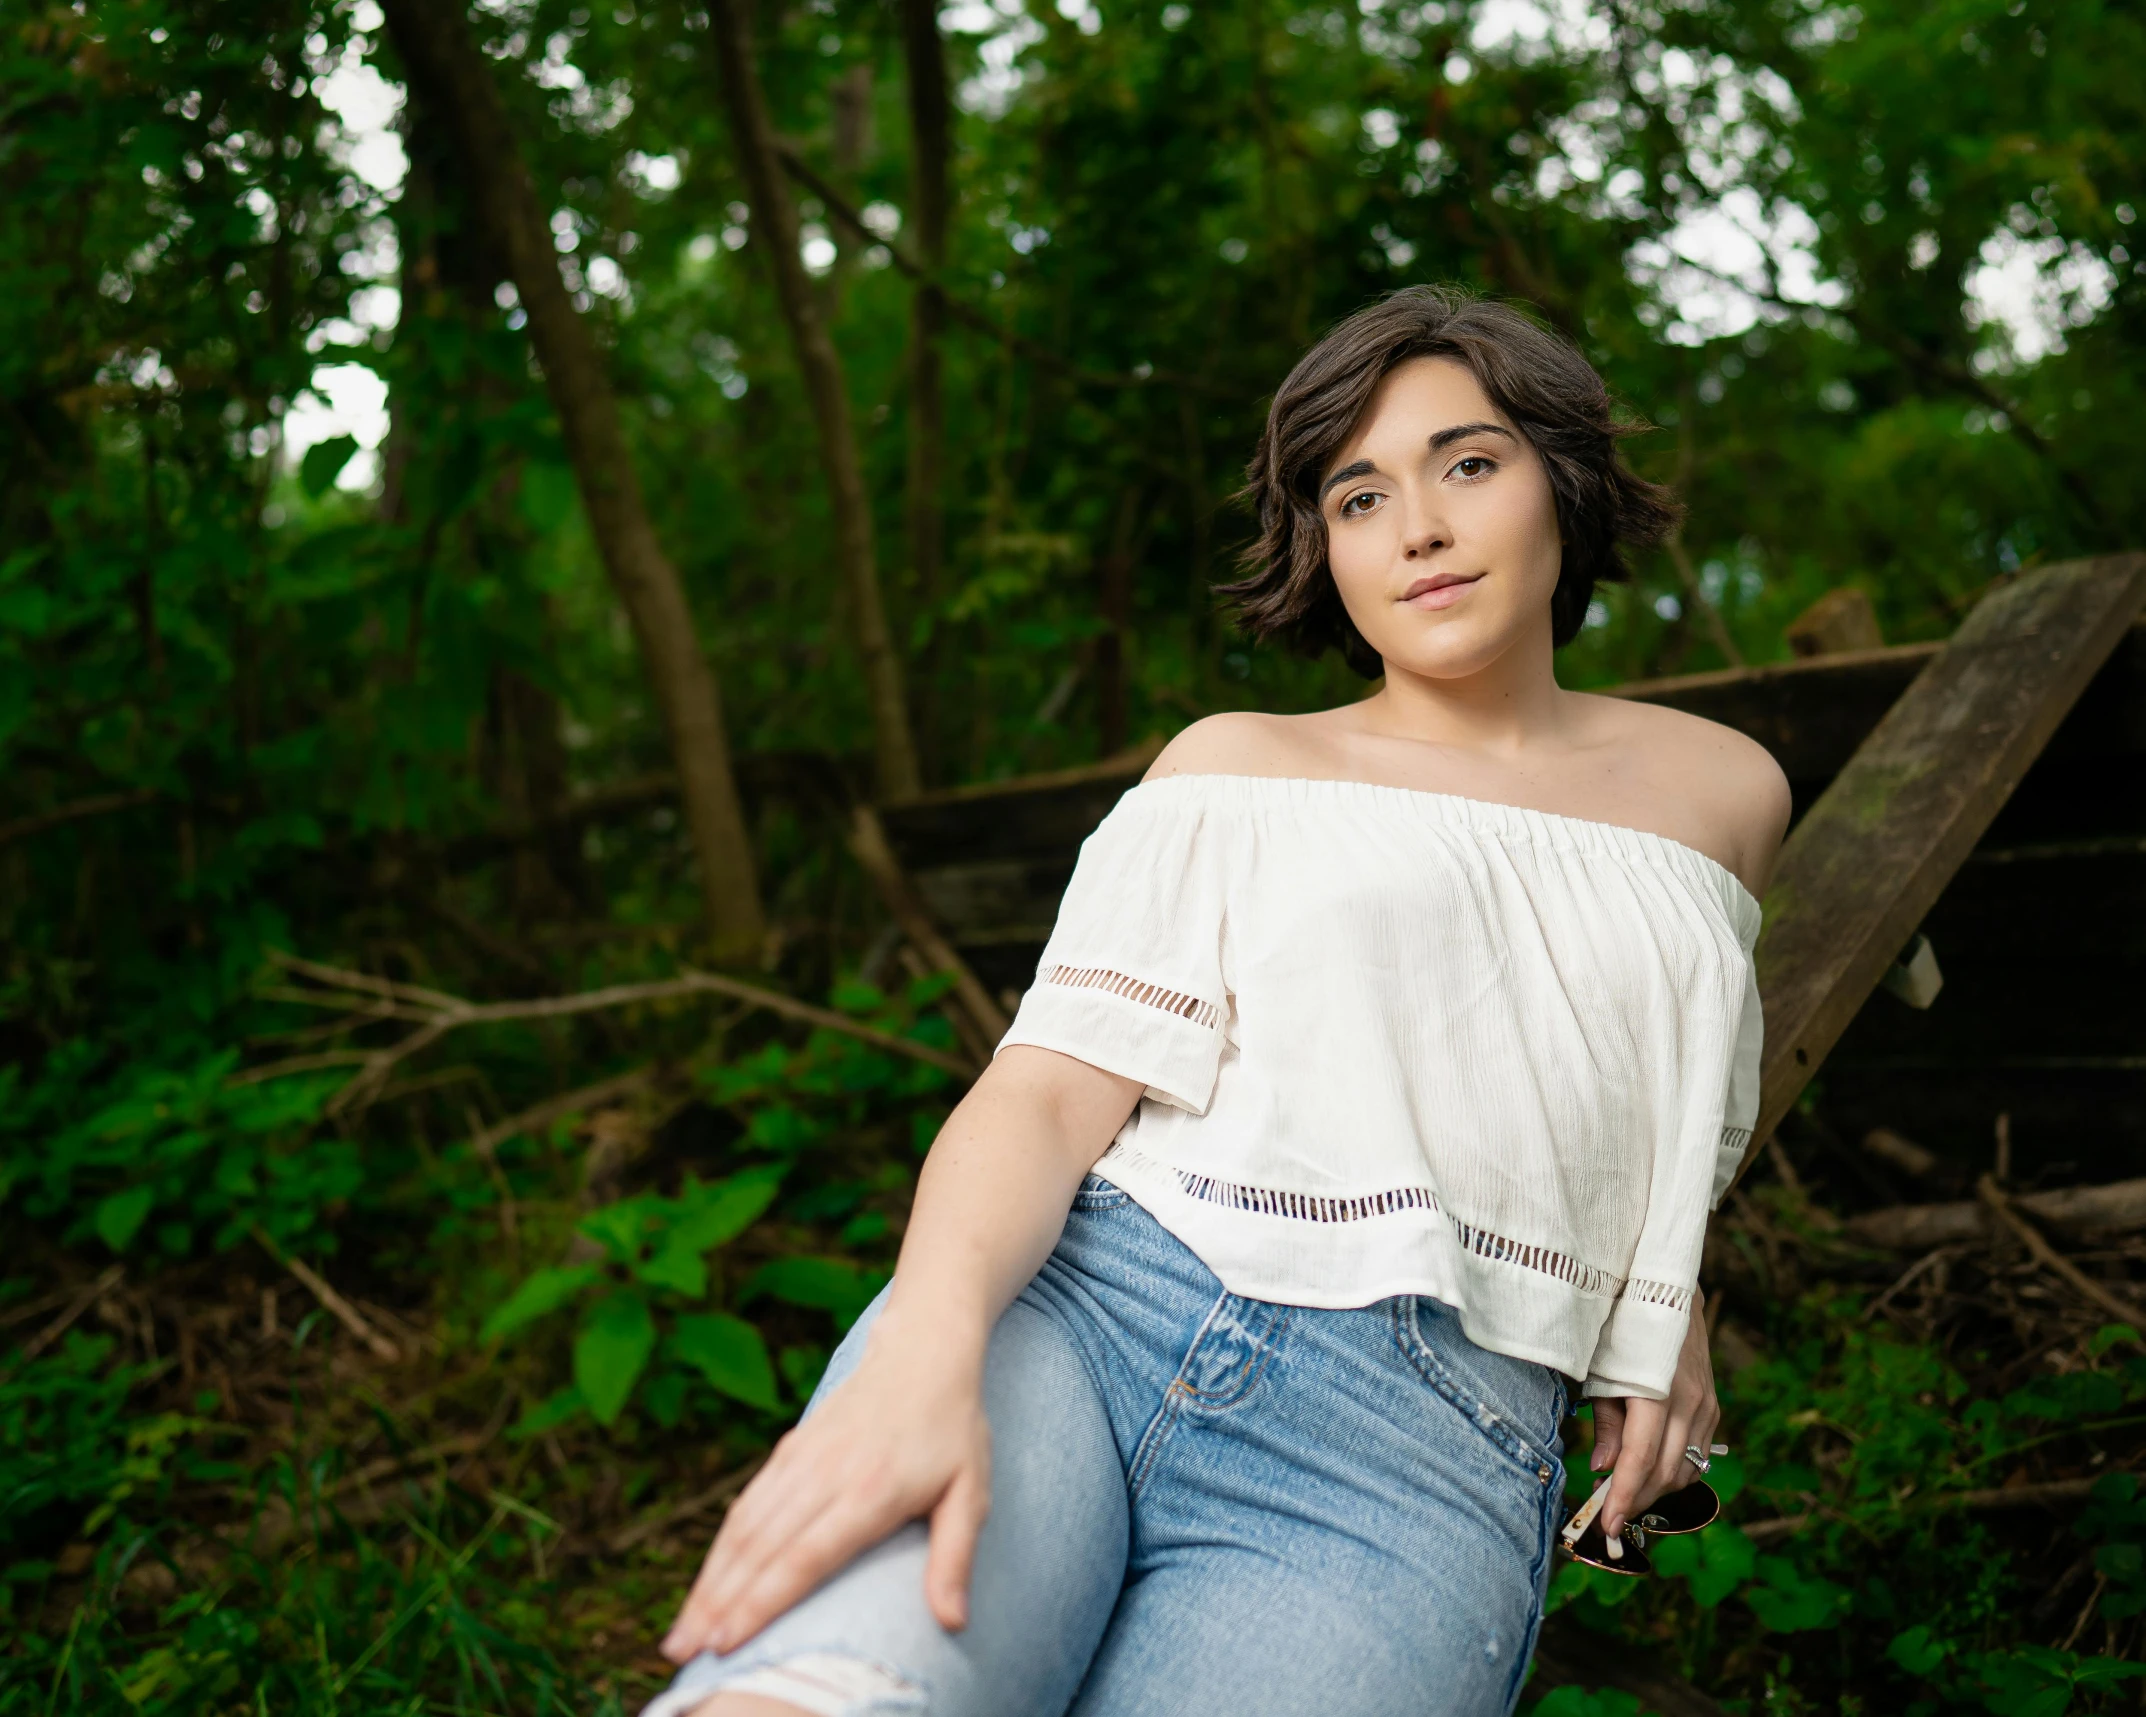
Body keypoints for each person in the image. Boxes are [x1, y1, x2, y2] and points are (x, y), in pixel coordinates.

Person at [645, 285, 1789, 1717]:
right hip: (1086, 1317)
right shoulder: (1235, 763)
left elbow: (1644, 1070)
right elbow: (1049, 1090)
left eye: (1468, 464)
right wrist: (925, 1352)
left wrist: (1649, 1290)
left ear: (1560, 480)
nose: (1418, 527)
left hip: (1414, 1446)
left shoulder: (1724, 788)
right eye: (1358, 494)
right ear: (1327, 545)